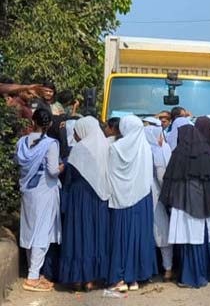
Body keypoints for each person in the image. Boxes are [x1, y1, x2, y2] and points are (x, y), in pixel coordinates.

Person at [161, 116, 210, 288]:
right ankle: (205, 273)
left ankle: (190, 276)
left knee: (188, 239)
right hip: (204, 204)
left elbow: (170, 181)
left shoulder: (179, 154)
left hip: (183, 203)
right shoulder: (206, 152)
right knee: (201, 238)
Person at [58, 116, 110, 291]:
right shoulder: (106, 147)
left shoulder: (79, 150)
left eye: (76, 131)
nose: (75, 134)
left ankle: (77, 278)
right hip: (99, 198)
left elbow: (69, 177)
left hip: (78, 199)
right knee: (95, 236)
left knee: (78, 235)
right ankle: (91, 279)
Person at [106, 115, 157, 292]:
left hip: (121, 200)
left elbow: (110, 174)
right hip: (142, 199)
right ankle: (134, 278)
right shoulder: (146, 148)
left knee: (121, 238)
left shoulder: (115, 148)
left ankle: (120, 278)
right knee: (138, 236)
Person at [16, 109, 62, 292]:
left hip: (28, 190)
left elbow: (18, 162)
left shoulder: (21, 142)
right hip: (44, 189)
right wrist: (62, 166)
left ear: (32, 121)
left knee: (29, 229)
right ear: (49, 124)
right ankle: (33, 277)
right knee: (42, 232)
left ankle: (33, 271)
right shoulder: (51, 144)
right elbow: (52, 170)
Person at [143, 120, 174, 281]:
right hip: (156, 194)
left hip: (141, 193)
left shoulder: (141, 149)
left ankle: (147, 269)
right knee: (162, 230)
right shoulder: (158, 151)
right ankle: (167, 268)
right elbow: (162, 177)